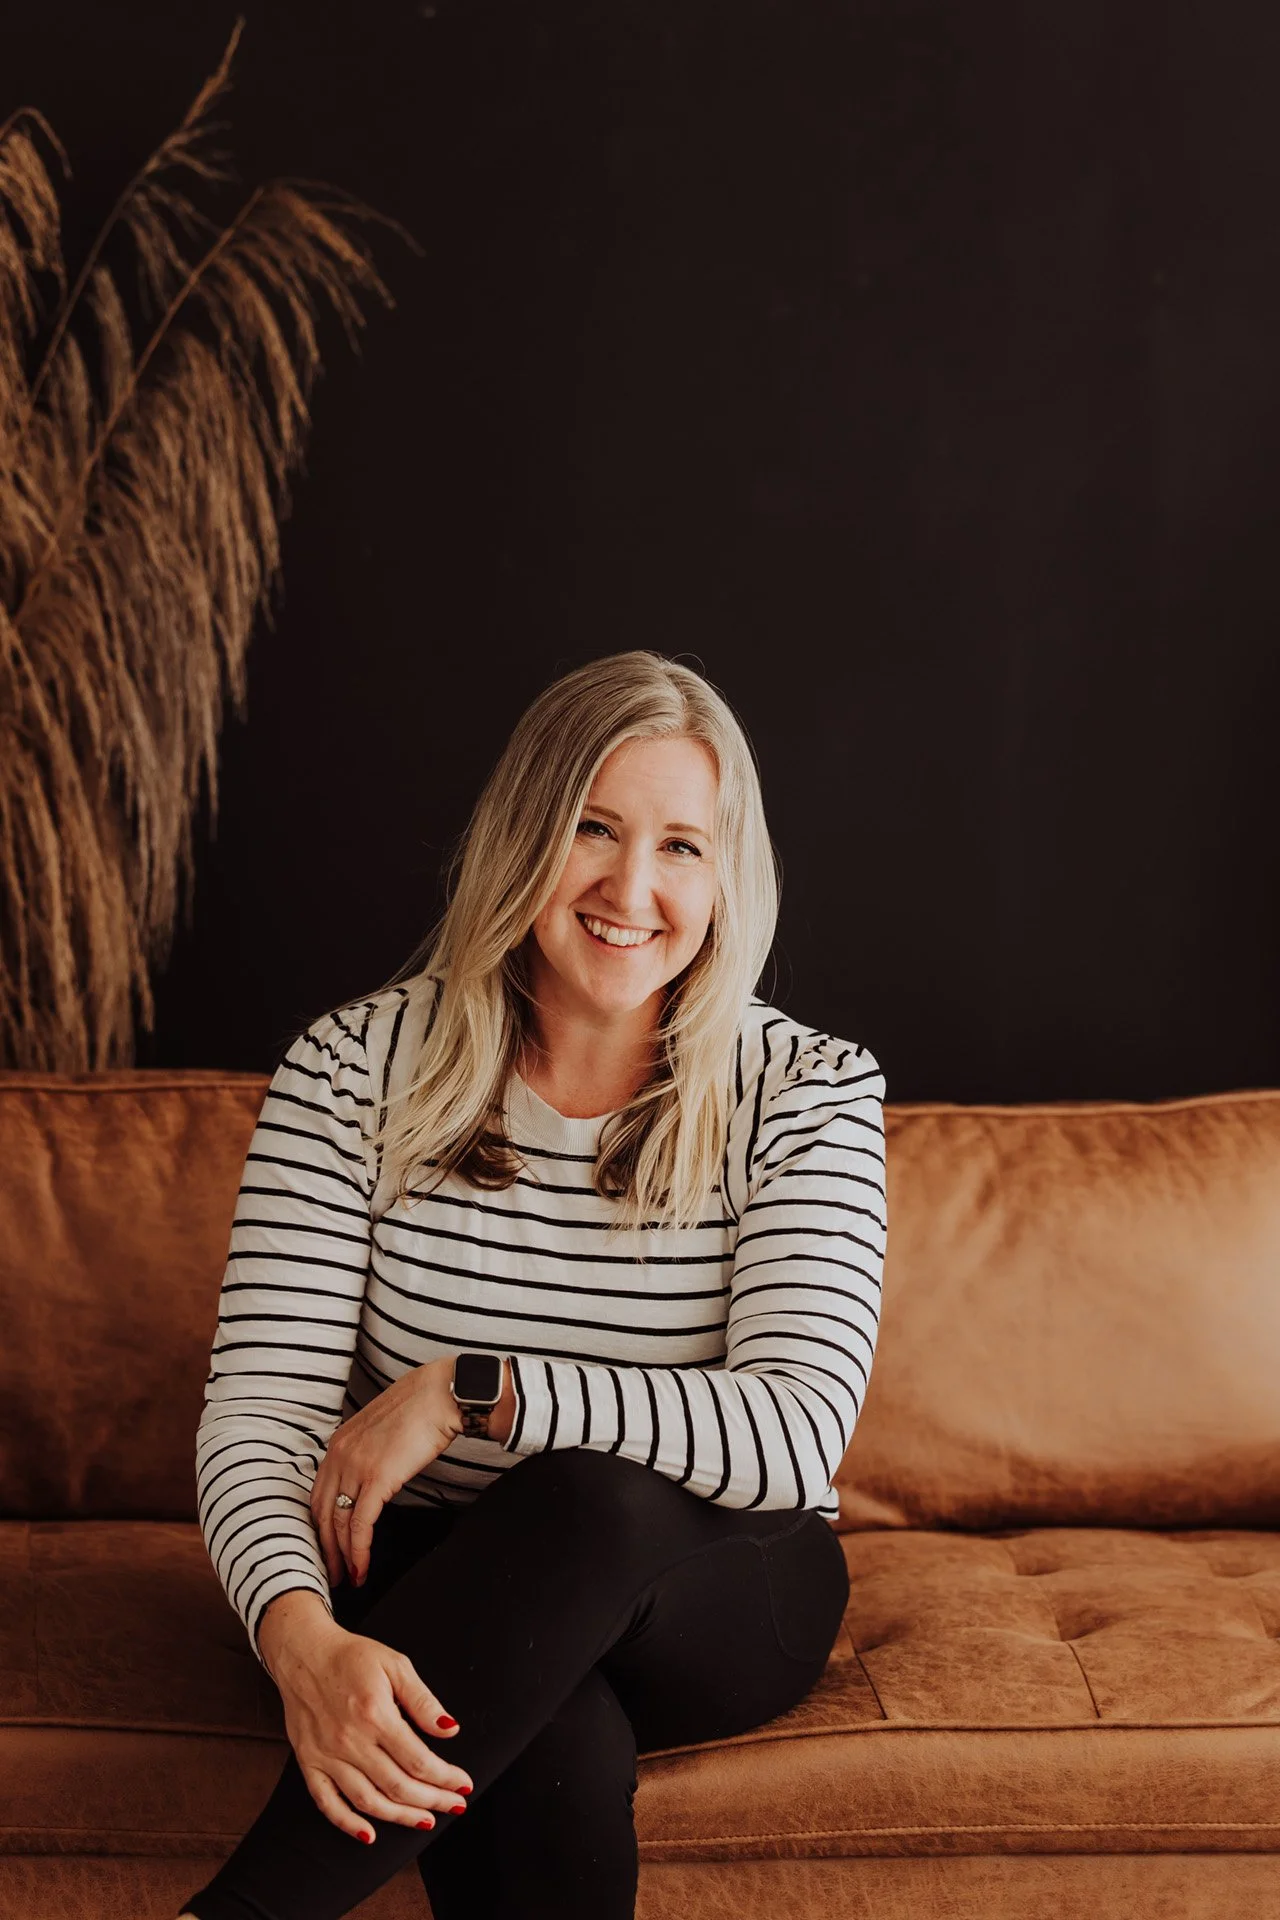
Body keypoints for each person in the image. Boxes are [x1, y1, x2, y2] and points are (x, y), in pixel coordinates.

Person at [180, 650, 886, 1920]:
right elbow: (263, 1414)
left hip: (720, 1583)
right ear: (522, 834)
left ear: (727, 877)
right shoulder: (351, 1069)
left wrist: (472, 1390)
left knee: (589, 1500)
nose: (631, 888)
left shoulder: (806, 1089)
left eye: (681, 845)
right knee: (539, 1733)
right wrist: (298, 1638)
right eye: (592, 828)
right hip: (440, 1587)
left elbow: (793, 1432)